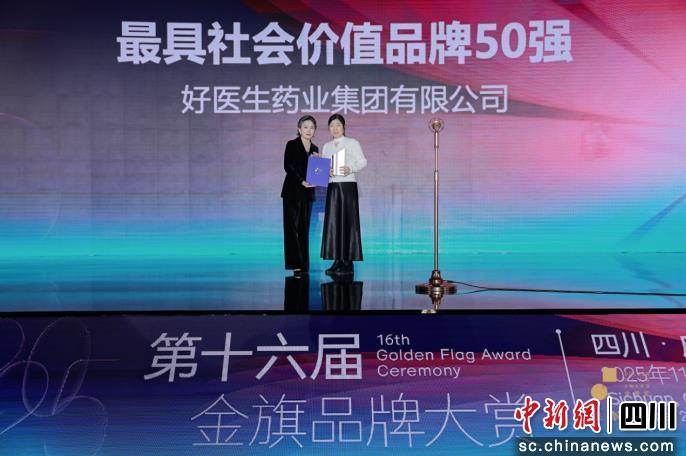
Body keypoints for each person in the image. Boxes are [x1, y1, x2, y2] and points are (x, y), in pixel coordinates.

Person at [321, 114, 367, 275]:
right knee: (334, 223)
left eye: (338, 125)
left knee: (347, 222)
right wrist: (326, 171)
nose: (335, 128)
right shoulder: (326, 146)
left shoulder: (352, 142)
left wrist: (350, 168)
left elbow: (363, 161)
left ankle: (347, 261)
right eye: (332, 125)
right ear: (328, 128)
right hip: (333, 186)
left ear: (344, 127)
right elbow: (323, 168)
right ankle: (337, 259)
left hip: (347, 186)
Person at [281, 115, 319, 275]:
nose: (309, 130)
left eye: (312, 127)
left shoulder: (315, 149)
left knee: (304, 229)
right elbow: (288, 166)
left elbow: (317, 172)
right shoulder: (291, 144)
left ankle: (304, 264)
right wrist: (301, 181)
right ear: (299, 129)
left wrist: (318, 173)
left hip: (308, 193)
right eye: (305, 127)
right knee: (291, 229)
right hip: (292, 191)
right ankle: (295, 264)